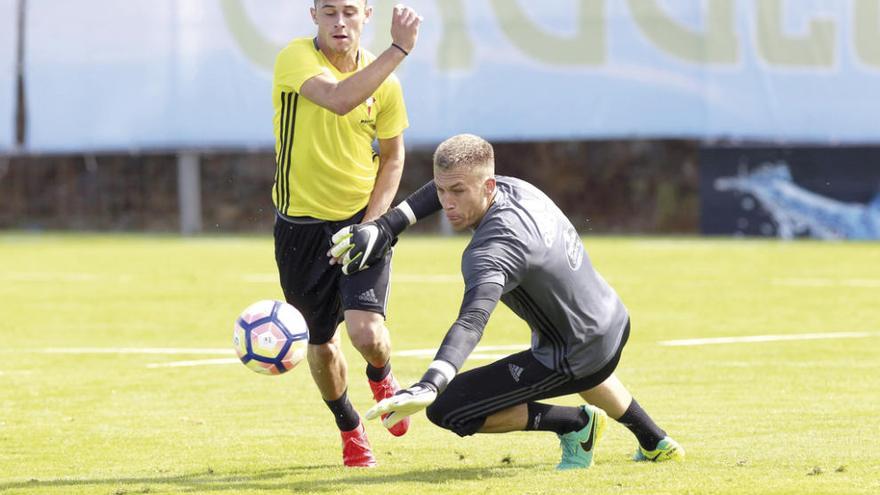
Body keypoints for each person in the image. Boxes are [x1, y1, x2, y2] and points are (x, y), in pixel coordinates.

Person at [329, 134, 684, 469]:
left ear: (487, 187)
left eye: (457, 191)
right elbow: (441, 190)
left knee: (448, 408)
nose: (447, 202)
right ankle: (655, 441)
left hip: (581, 351)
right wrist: (388, 225)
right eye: (441, 190)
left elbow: (472, 321)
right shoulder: (516, 188)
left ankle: (575, 425)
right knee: (576, 359)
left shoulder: (489, 252)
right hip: (611, 319)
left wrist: (431, 384)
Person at [270, 0, 421, 467]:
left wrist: (373, 225)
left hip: (360, 219)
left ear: (367, 15)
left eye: (350, 11)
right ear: (312, 14)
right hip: (300, 228)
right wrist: (399, 49)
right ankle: (350, 427)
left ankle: (382, 375)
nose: (340, 22)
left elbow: (393, 158)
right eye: (329, 11)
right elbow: (338, 100)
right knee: (320, 341)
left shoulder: (386, 83)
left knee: (367, 334)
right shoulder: (295, 58)